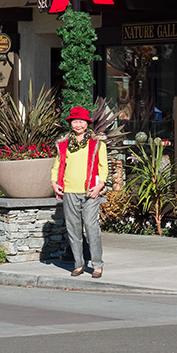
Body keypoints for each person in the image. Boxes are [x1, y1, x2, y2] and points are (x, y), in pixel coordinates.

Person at [52, 106, 108, 278]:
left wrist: (99, 187)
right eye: (75, 121)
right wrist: (54, 183)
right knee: (73, 229)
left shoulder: (97, 143)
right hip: (69, 190)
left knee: (92, 227)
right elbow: (57, 165)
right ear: (70, 123)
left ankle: (97, 265)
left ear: (87, 123)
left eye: (81, 121)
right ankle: (78, 264)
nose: (78, 125)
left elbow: (103, 167)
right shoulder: (64, 144)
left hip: (90, 191)